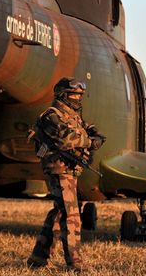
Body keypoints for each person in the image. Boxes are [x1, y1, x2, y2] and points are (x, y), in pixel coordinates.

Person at [27, 77, 106, 271]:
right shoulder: (52, 115)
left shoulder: (72, 115)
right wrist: (89, 142)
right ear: (63, 95)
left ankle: (37, 258)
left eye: (79, 95)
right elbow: (66, 138)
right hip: (58, 168)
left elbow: (84, 129)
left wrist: (93, 133)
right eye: (73, 94)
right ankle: (75, 263)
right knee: (71, 216)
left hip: (68, 169)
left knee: (60, 212)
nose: (77, 98)